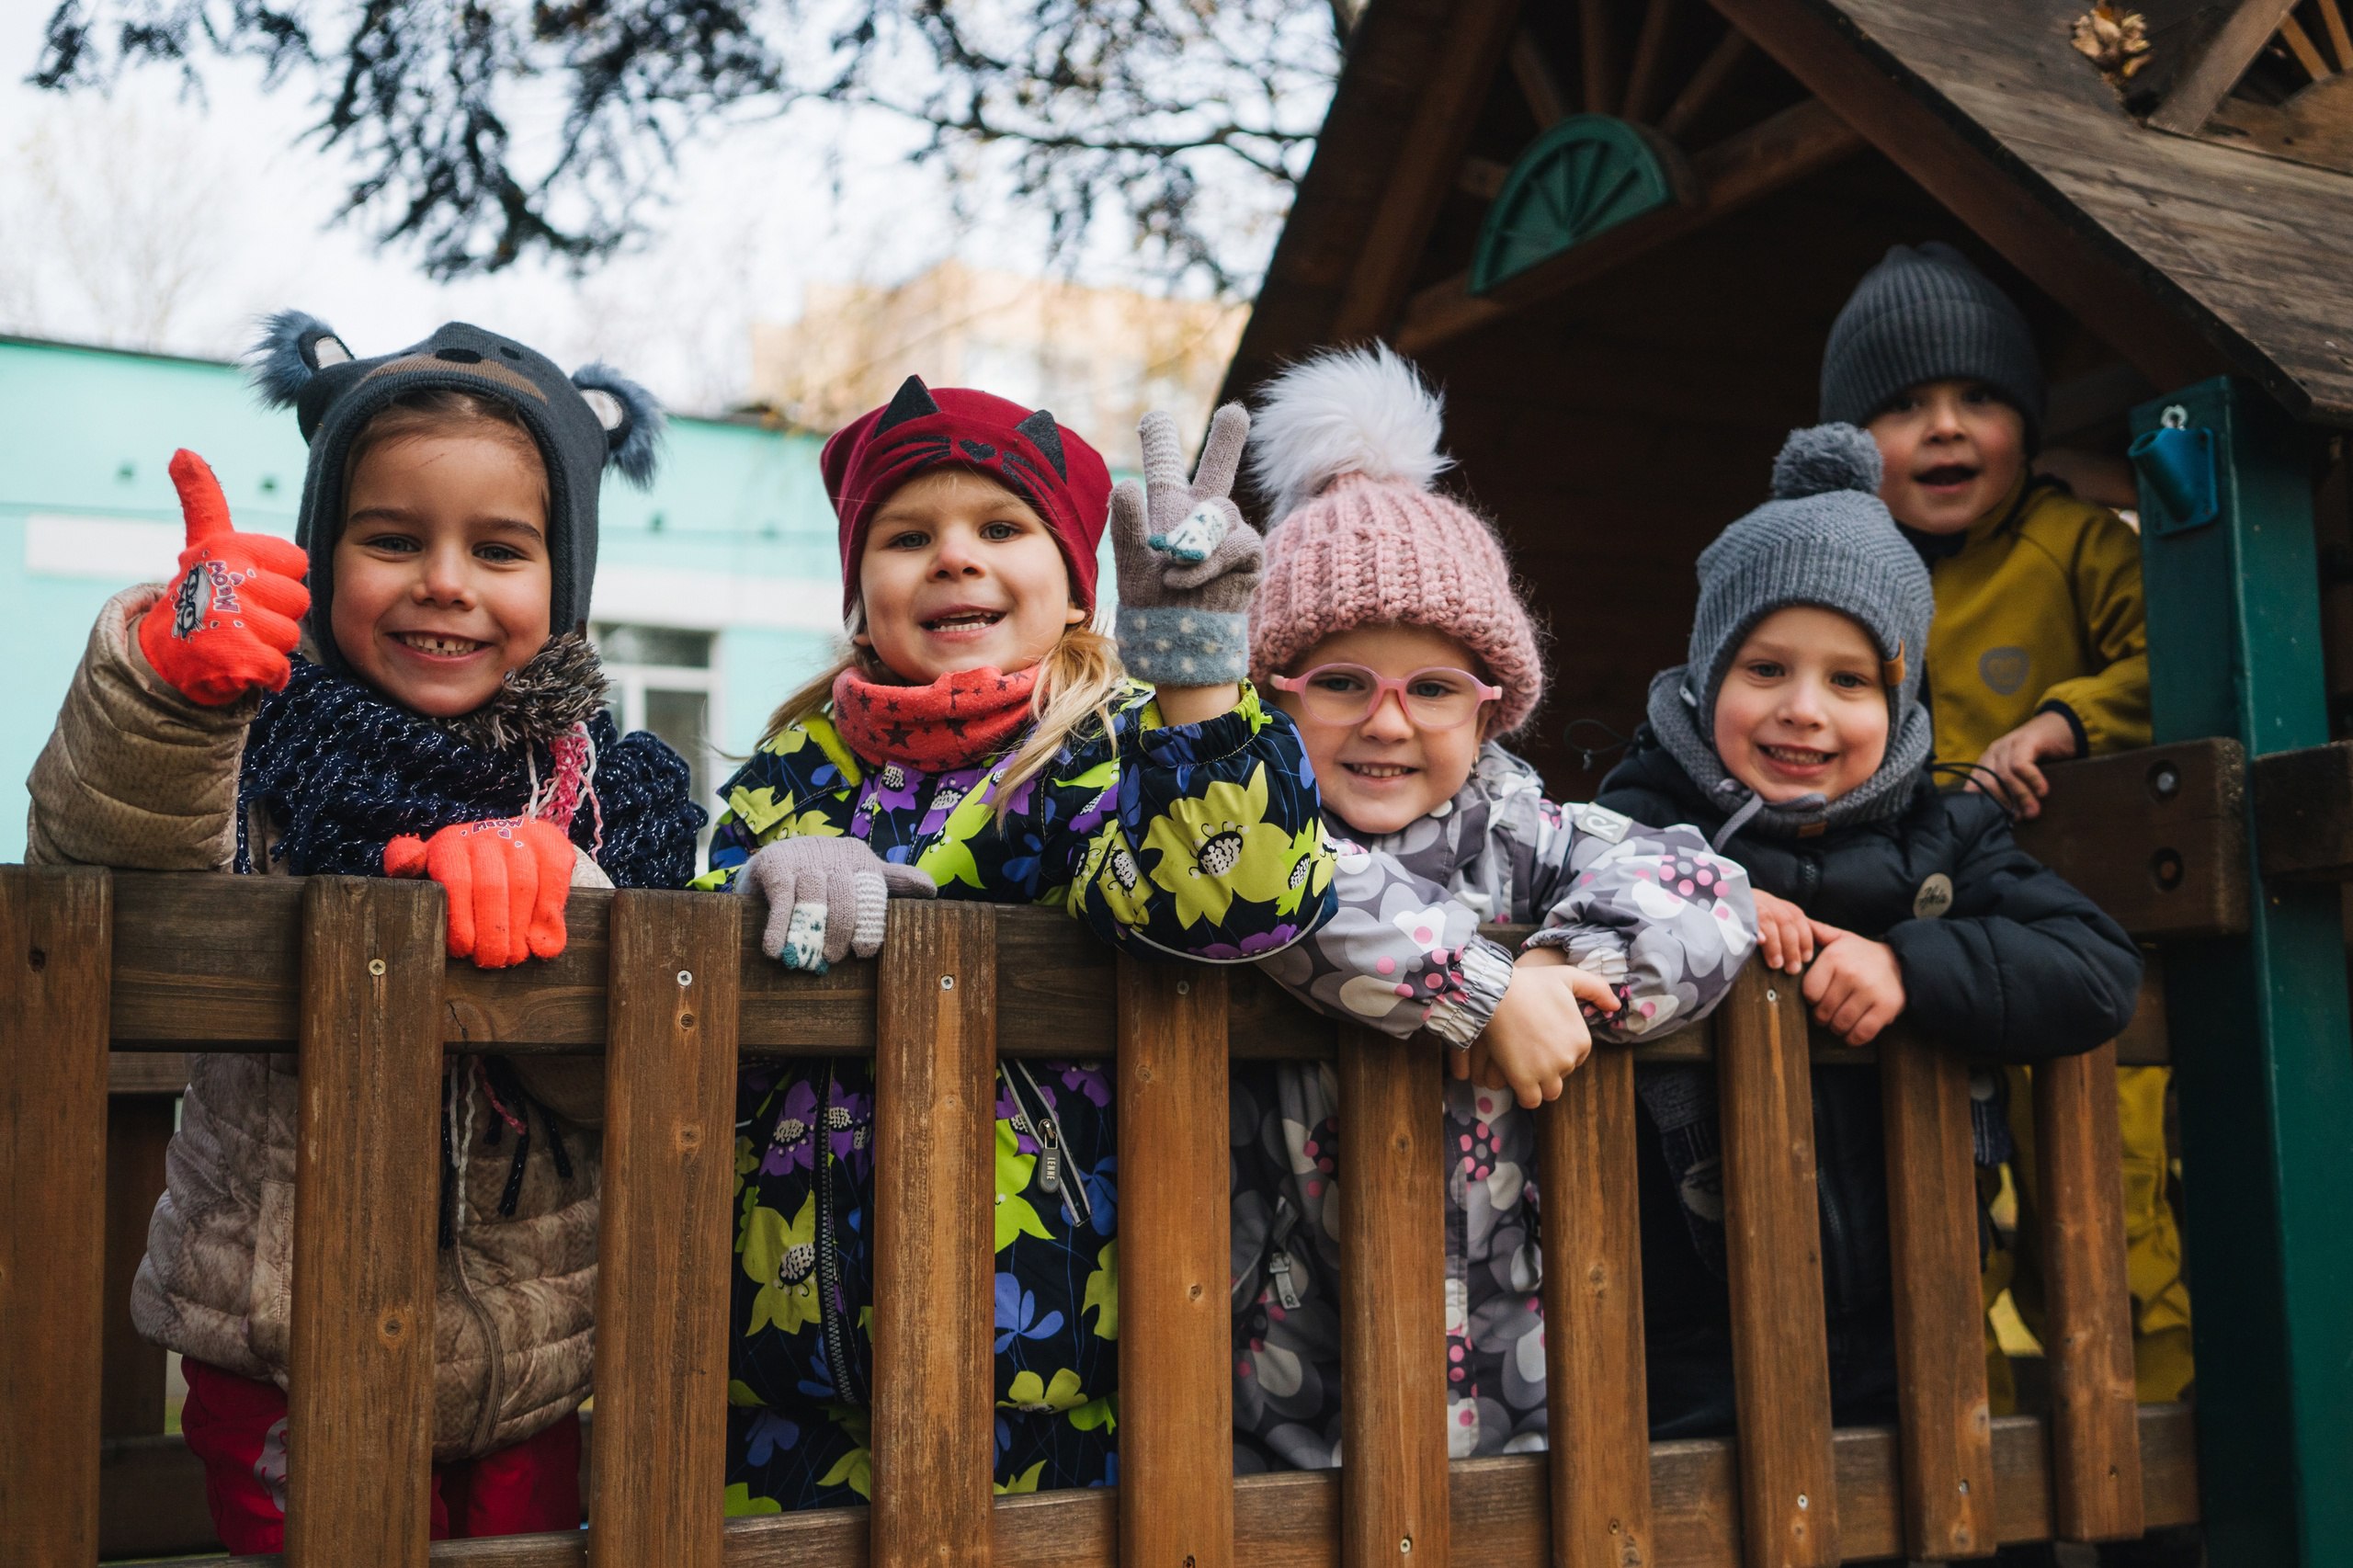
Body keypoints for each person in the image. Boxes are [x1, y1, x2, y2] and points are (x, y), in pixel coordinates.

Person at [24, 312, 706, 1551]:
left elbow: (643, 1078)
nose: (443, 580)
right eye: (392, 538)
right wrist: (164, 700)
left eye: (499, 548)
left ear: (569, 581)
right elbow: (105, 878)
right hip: (284, 1346)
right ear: (322, 552)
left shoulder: (612, 794)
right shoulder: (257, 748)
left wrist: (569, 901)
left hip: (532, 1363)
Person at [697, 375, 1335, 1512]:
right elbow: (689, 948)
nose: (954, 556)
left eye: (1000, 528)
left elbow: (1234, 901)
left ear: (1079, 585)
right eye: (908, 535)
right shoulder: (793, 768)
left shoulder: (1095, 757)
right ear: (859, 594)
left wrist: (1193, 672)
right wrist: (766, 877)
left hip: (1046, 1370)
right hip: (780, 1367)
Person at [1226, 345, 1756, 1469]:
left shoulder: (1526, 836)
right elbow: (1290, 889)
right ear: (1271, 693)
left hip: (1527, 1369)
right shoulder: (1247, 840)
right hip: (1284, 1377)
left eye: (1431, 687)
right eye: (1338, 680)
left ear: (1489, 708)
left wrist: (1565, 967)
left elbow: (1707, 887)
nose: (1386, 721)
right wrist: (1481, 987)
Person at [1593, 423, 2143, 1437]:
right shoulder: (1637, 823)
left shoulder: (1948, 836)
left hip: (1912, 1309)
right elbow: (1562, 910)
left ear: (1899, 699)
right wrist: (1697, 899)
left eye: (1849, 681)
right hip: (1678, 1324)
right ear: (1708, 673)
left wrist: (1911, 961)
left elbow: (2098, 971)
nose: (1804, 709)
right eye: (1765, 668)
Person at [1822, 242, 2189, 1424]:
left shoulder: (2077, 541)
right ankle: (1960, 1467)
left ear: (2024, 424)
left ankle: (2160, 1471)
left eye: (1976, 398)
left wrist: (2063, 718)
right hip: (1916, 952)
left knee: (2108, 1208)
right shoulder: (1850, 578)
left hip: (2071, 942)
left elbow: (2177, 654)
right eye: (1903, 405)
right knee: (1931, 1217)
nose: (1943, 428)